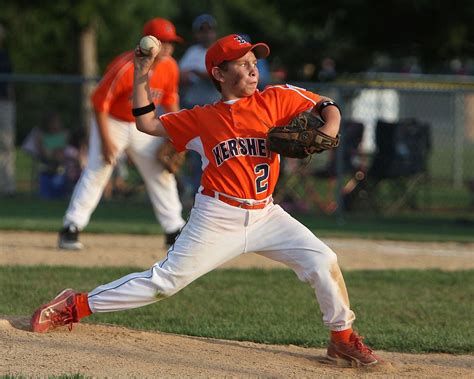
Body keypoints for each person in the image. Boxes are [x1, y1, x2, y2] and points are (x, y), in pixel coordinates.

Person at [30, 34, 380, 367]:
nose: (252, 68)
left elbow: (326, 105)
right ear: (218, 73)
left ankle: (341, 337)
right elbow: (147, 124)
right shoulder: (203, 118)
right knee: (164, 283)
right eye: (241, 63)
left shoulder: (275, 99)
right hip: (218, 216)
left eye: (253, 61)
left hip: (267, 215)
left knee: (323, 260)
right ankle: (74, 305)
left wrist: (328, 129)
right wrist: (141, 74)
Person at [58, 18, 186, 250]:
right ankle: (71, 227)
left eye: (171, 42)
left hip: (144, 125)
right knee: (98, 170)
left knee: (160, 173)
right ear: (150, 43)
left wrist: (175, 135)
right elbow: (98, 103)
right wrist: (106, 142)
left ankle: (174, 229)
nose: (168, 47)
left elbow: (170, 102)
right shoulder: (126, 66)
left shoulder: (170, 67)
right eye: (163, 41)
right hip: (113, 122)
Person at [178, 14, 221, 198]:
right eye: (202, 30)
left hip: (216, 112)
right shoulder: (192, 52)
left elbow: (216, 74)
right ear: (197, 34)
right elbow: (180, 76)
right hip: (194, 110)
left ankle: (213, 193)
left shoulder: (221, 51)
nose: (206, 34)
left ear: (214, 32)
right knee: (196, 155)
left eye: (209, 30)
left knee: (214, 154)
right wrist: (188, 76)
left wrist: (197, 72)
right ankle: (196, 192)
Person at [0, 23, 16, 196]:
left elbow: (10, 83)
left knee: (6, 143)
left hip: (4, 103)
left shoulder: (4, 56)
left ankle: (7, 186)